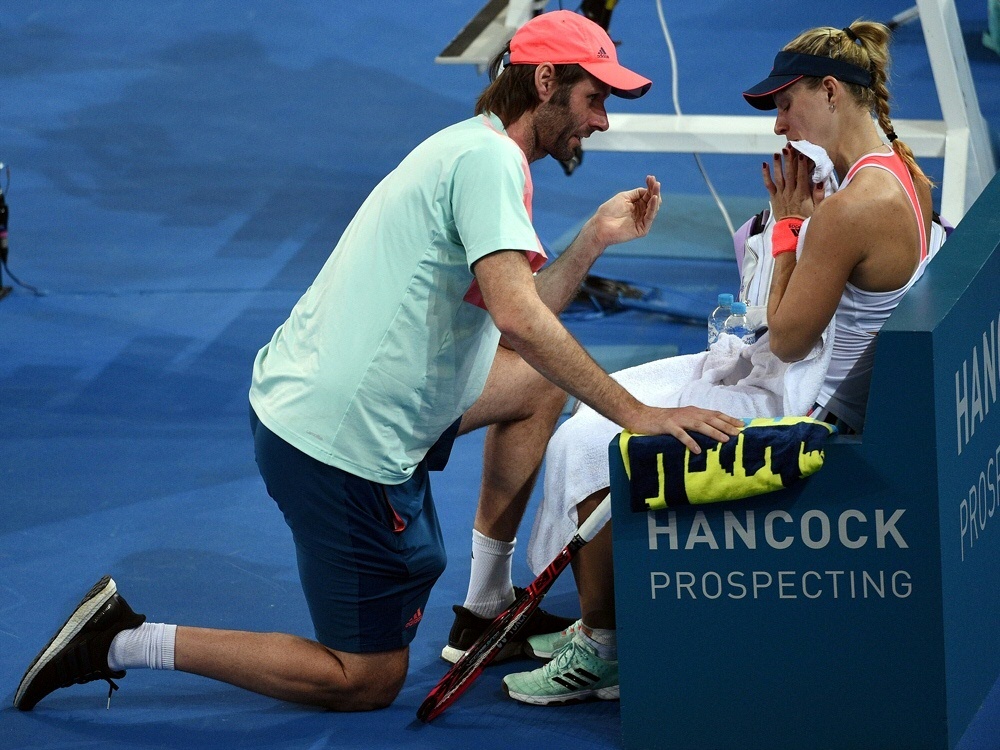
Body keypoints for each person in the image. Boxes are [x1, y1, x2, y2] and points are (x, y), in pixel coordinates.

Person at [14, 10, 742, 713]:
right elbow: (520, 319)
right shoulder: (489, 163)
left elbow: (518, 313)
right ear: (546, 81)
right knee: (366, 679)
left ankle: (484, 610)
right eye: (595, 98)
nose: (602, 120)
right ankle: (120, 640)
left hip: (336, 395)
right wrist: (637, 414)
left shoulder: (478, 147)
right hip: (338, 441)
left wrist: (592, 239)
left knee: (533, 390)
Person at [501, 19, 942, 706]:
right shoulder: (905, 175)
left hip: (805, 407)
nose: (779, 126)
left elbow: (786, 336)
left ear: (830, 91)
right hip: (814, 380)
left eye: (785, 104)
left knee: (587, 444)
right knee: (596, 397)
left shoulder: (852, 208)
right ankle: (602, 613)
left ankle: (603, 648)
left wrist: (790, 228)